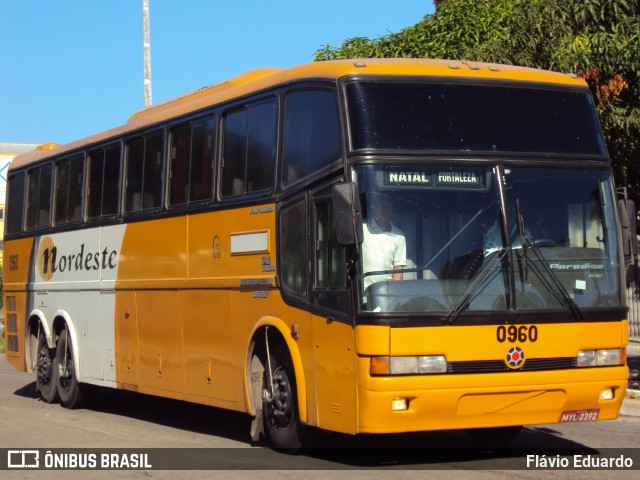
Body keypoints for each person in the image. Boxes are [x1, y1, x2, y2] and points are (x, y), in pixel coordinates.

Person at [361, 195, 407, 290]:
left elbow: (398, 270)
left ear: (392, 210)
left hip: (386, 293)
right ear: (373, 208)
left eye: (387, 207)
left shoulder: (399, 235)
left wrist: (394, 295)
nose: (383, 210)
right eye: (380, 206)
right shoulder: (362, 229)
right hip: (363, 292)